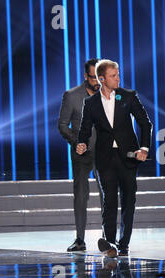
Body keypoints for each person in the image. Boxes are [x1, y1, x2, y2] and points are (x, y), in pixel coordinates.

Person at [76, 59, 152, 257]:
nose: (118, 78)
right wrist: (81, 142)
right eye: (113, 76)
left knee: (128, 200)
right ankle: (109, 242)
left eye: (118, 75)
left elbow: (145, 123)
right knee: (109, 200)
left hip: (128, 157)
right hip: (105, 159)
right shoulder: (90, 103)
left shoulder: (128, 96)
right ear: (101, 79)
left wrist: (144, 148)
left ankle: (123, 243)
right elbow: (84, 130)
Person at [58, 58, 103, 252]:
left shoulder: (110, 94)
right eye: (93, 77)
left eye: (100, 77)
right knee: (80, 196)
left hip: (105, 152)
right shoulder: (72, 96)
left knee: (108, 196)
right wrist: (76, 142)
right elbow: (62, 124)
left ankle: (108, 239)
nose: (97, 82)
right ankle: (79, 239)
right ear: (86, 76)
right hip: (82, 153)